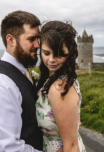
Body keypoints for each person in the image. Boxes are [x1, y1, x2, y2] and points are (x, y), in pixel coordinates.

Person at [0, 10, 43, 152]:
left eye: (38, 39)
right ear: (10, 40)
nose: (38, 45)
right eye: (31, 39)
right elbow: (3, 148)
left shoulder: (22, 73)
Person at [36, 21, 86, 152]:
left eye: (59, 54)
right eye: (46, 53)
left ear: (70, 52)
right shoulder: (55, 79)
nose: (52, 60)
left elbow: (71, 147)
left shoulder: (60, 87)